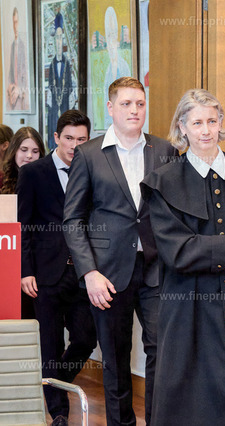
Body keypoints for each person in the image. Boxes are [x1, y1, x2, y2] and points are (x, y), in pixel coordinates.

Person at [141, 89, 225, 425]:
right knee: (193, 392)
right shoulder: (163, 181)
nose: (206, 130)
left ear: (221, 124)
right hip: (189, 306)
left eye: (212, 121)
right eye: (197, 123)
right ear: (182, 127)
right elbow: (176, 250)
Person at [63, 77, 177, 425]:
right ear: (110, 108)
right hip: (107, 274)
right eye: (126, 104)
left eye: (140, 103)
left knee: (163, 352)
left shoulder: (164, 151)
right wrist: (89, 272)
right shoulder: (88, 154)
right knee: (114, 357)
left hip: (156, 269)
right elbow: (73, 219)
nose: (134, 110)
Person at [17, 110, 96, 426]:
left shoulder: (93, 169)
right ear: (56, 137)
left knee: (86, 339)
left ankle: (54, 382)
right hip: (45, 273)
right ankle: (59, 413)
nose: (74, 145)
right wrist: (25, 270)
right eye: (68, 138)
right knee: (50, 345)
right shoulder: (33, 173)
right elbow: (24, 225)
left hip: (83, 272)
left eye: (82, 139)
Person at [1, 127, 45, 320]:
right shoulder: (2, 180)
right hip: (6, 260)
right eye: (24, 150)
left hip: (37, 263)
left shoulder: (46, 182)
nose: (29, 156)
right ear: (13, 151)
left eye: (35, 151)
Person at [47, 13, 74, 151]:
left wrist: (70, 95)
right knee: (53, 121)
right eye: (57, 38)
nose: (59, 41)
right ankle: (52, 146)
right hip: (54, 101)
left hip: (64, 101)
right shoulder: (52, 64)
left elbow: (69, 83)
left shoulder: (66, 63)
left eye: (60, 38)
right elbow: (50, 84)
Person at [102, 6, 131, 129]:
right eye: (109, 36)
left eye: (113, 35)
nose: (111, 41)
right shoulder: (106, 70)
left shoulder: (124, 66)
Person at [6, 7, 29, 111]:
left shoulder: (24, 46)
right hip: (14, 96)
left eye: (16, 22)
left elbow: (27, 75)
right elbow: (10, 74)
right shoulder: (12, 46)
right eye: (13, 23)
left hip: (22, 96)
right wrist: (11, 87)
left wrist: (19, 89)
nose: (15, 26)